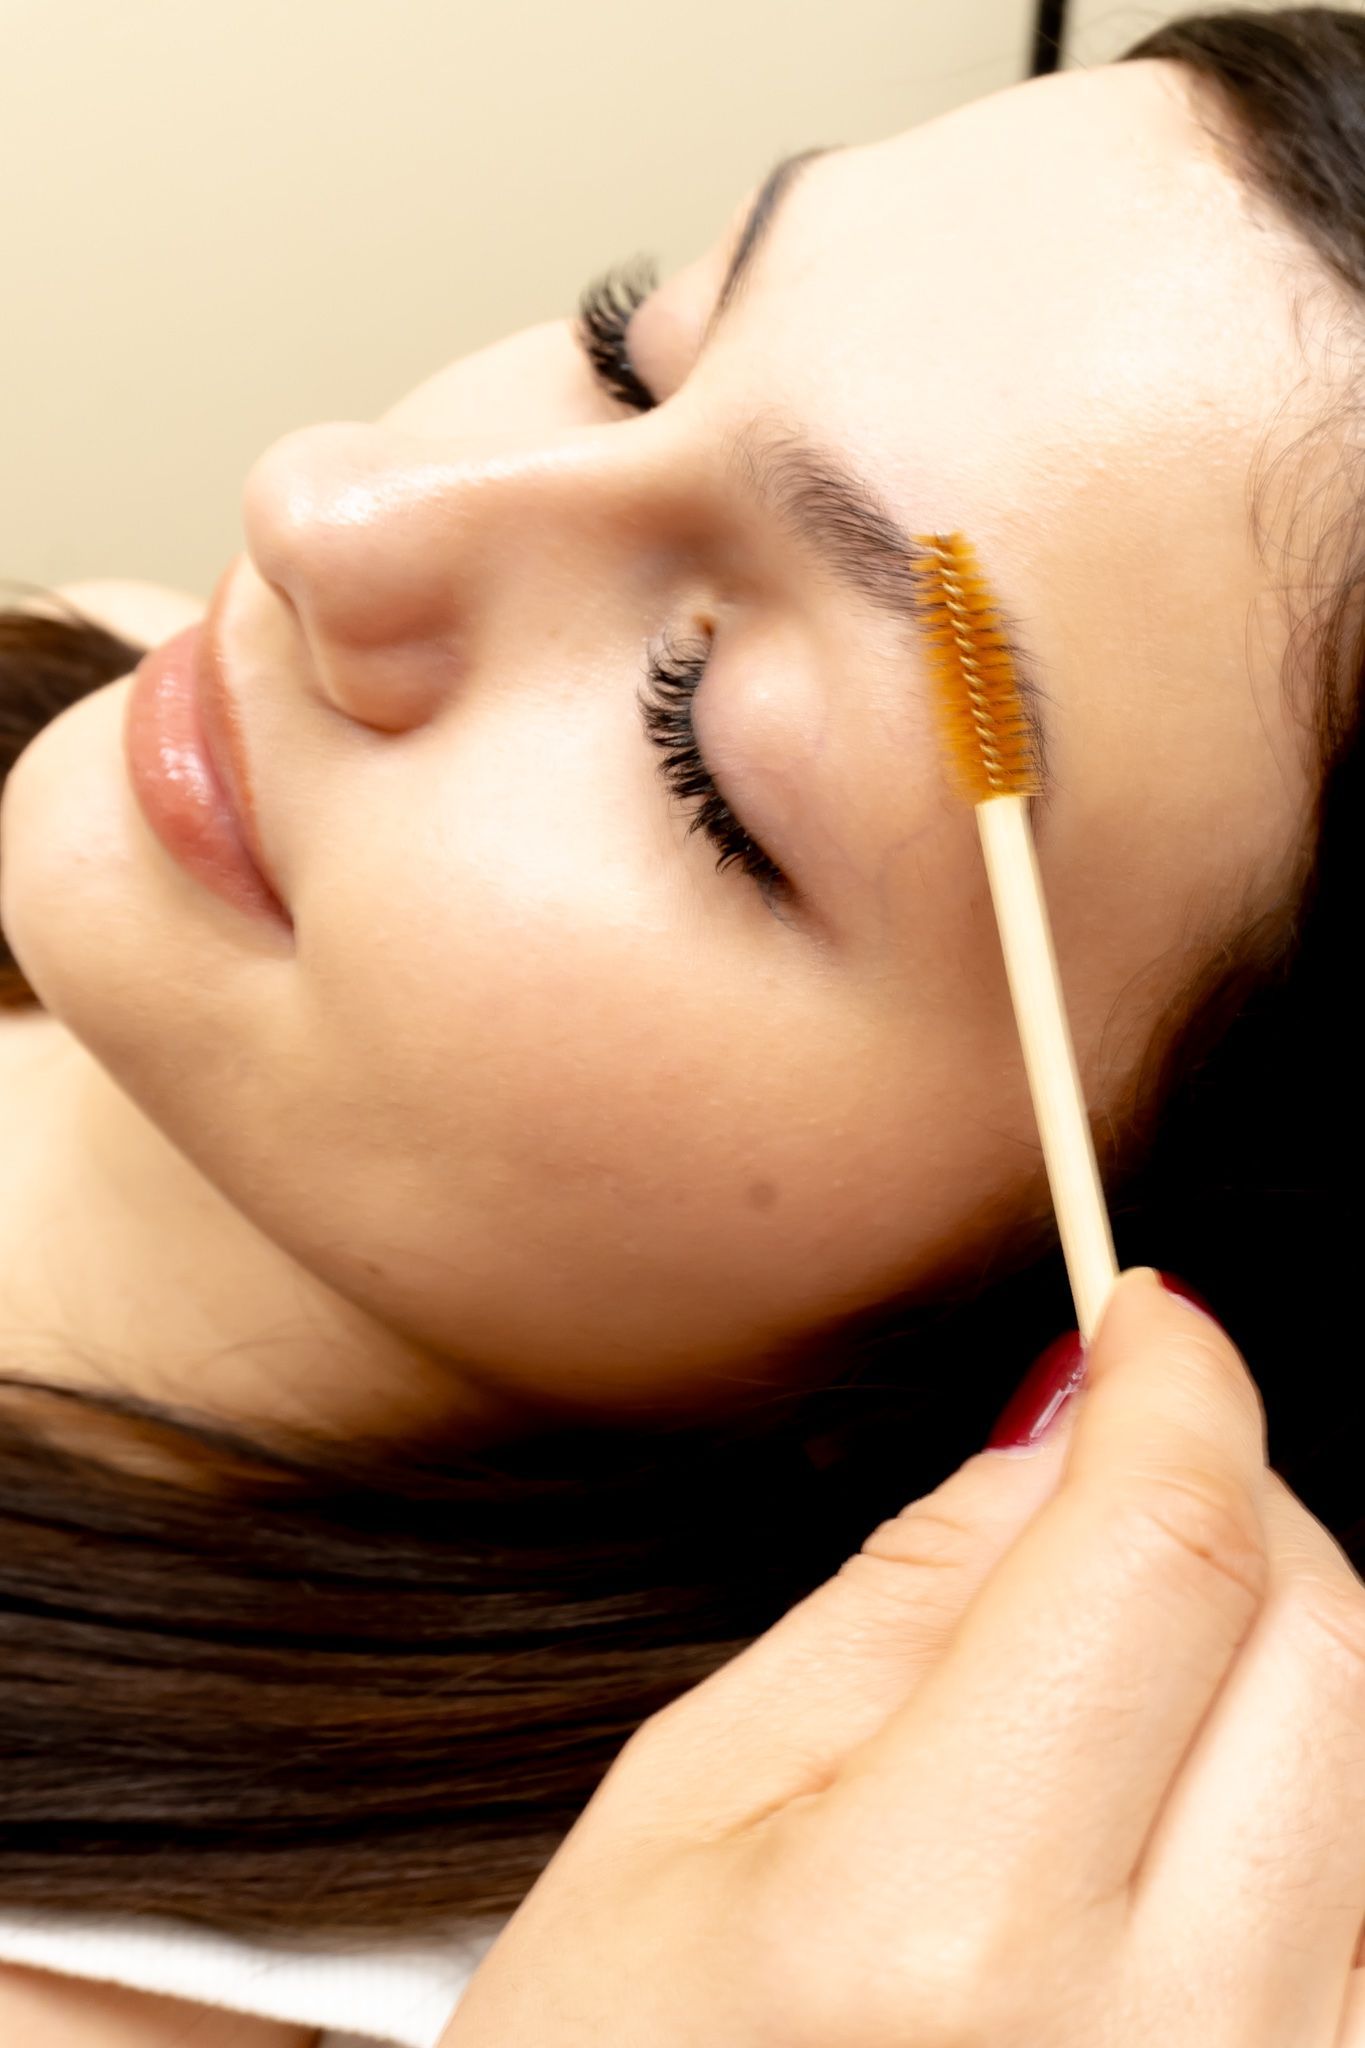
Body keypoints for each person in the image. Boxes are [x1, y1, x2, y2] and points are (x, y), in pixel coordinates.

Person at [0, 7, 1360, 2042]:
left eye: (704, 751)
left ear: (1061, 1342)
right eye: (636, 340)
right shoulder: (117, 691)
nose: (327, 507)